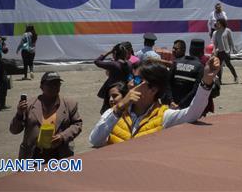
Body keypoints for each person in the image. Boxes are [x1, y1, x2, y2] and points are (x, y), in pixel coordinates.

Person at [88, 56, 220, 147]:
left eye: (137, 80)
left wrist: (207, 81)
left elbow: (193, 113)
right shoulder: (115, 112)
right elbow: (95, 140)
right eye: (130, 78)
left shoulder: (164, 116)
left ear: (153, 89)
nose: (130, 84)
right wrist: (119, 108)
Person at [10, 72, 83, 160]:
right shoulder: (29, 105)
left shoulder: (70, 105)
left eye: (57, 84)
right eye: (50, 84)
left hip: (60, 154)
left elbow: (77, 125)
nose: (54, 87)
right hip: (32, 155)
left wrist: (62, 137)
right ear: (41, 86)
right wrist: (19, 114)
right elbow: (14, 130)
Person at [94, 43, 131, 114]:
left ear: (115, 53)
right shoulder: (129, 64)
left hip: (113, 90)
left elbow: (96, 61)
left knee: (107, 111)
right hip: (124, 90)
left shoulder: (114, 64)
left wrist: (108, 52)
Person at [169, 40, 203, 108]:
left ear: (188, 50)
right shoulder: (200, 66)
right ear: (202, 52)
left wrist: (172, 101)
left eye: (176, 49)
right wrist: (179, 104)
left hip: (173, 105)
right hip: (186, 106)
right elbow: (196, 89)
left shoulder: (176, 63)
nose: (173, 50)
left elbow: (167, 83)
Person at [212, 18, 238, 84]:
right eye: (217, 23)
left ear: (222, 23)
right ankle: (219, 80)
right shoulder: (216, 33)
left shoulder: (227, 31)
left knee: (228, 64)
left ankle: (235, 76)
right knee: (219, 66)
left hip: (226, 51)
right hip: (219, 52)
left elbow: (231, 41)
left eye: (218, 23)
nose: (217, 25)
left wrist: (233, 48)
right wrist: (214, 51)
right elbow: (215, 44)